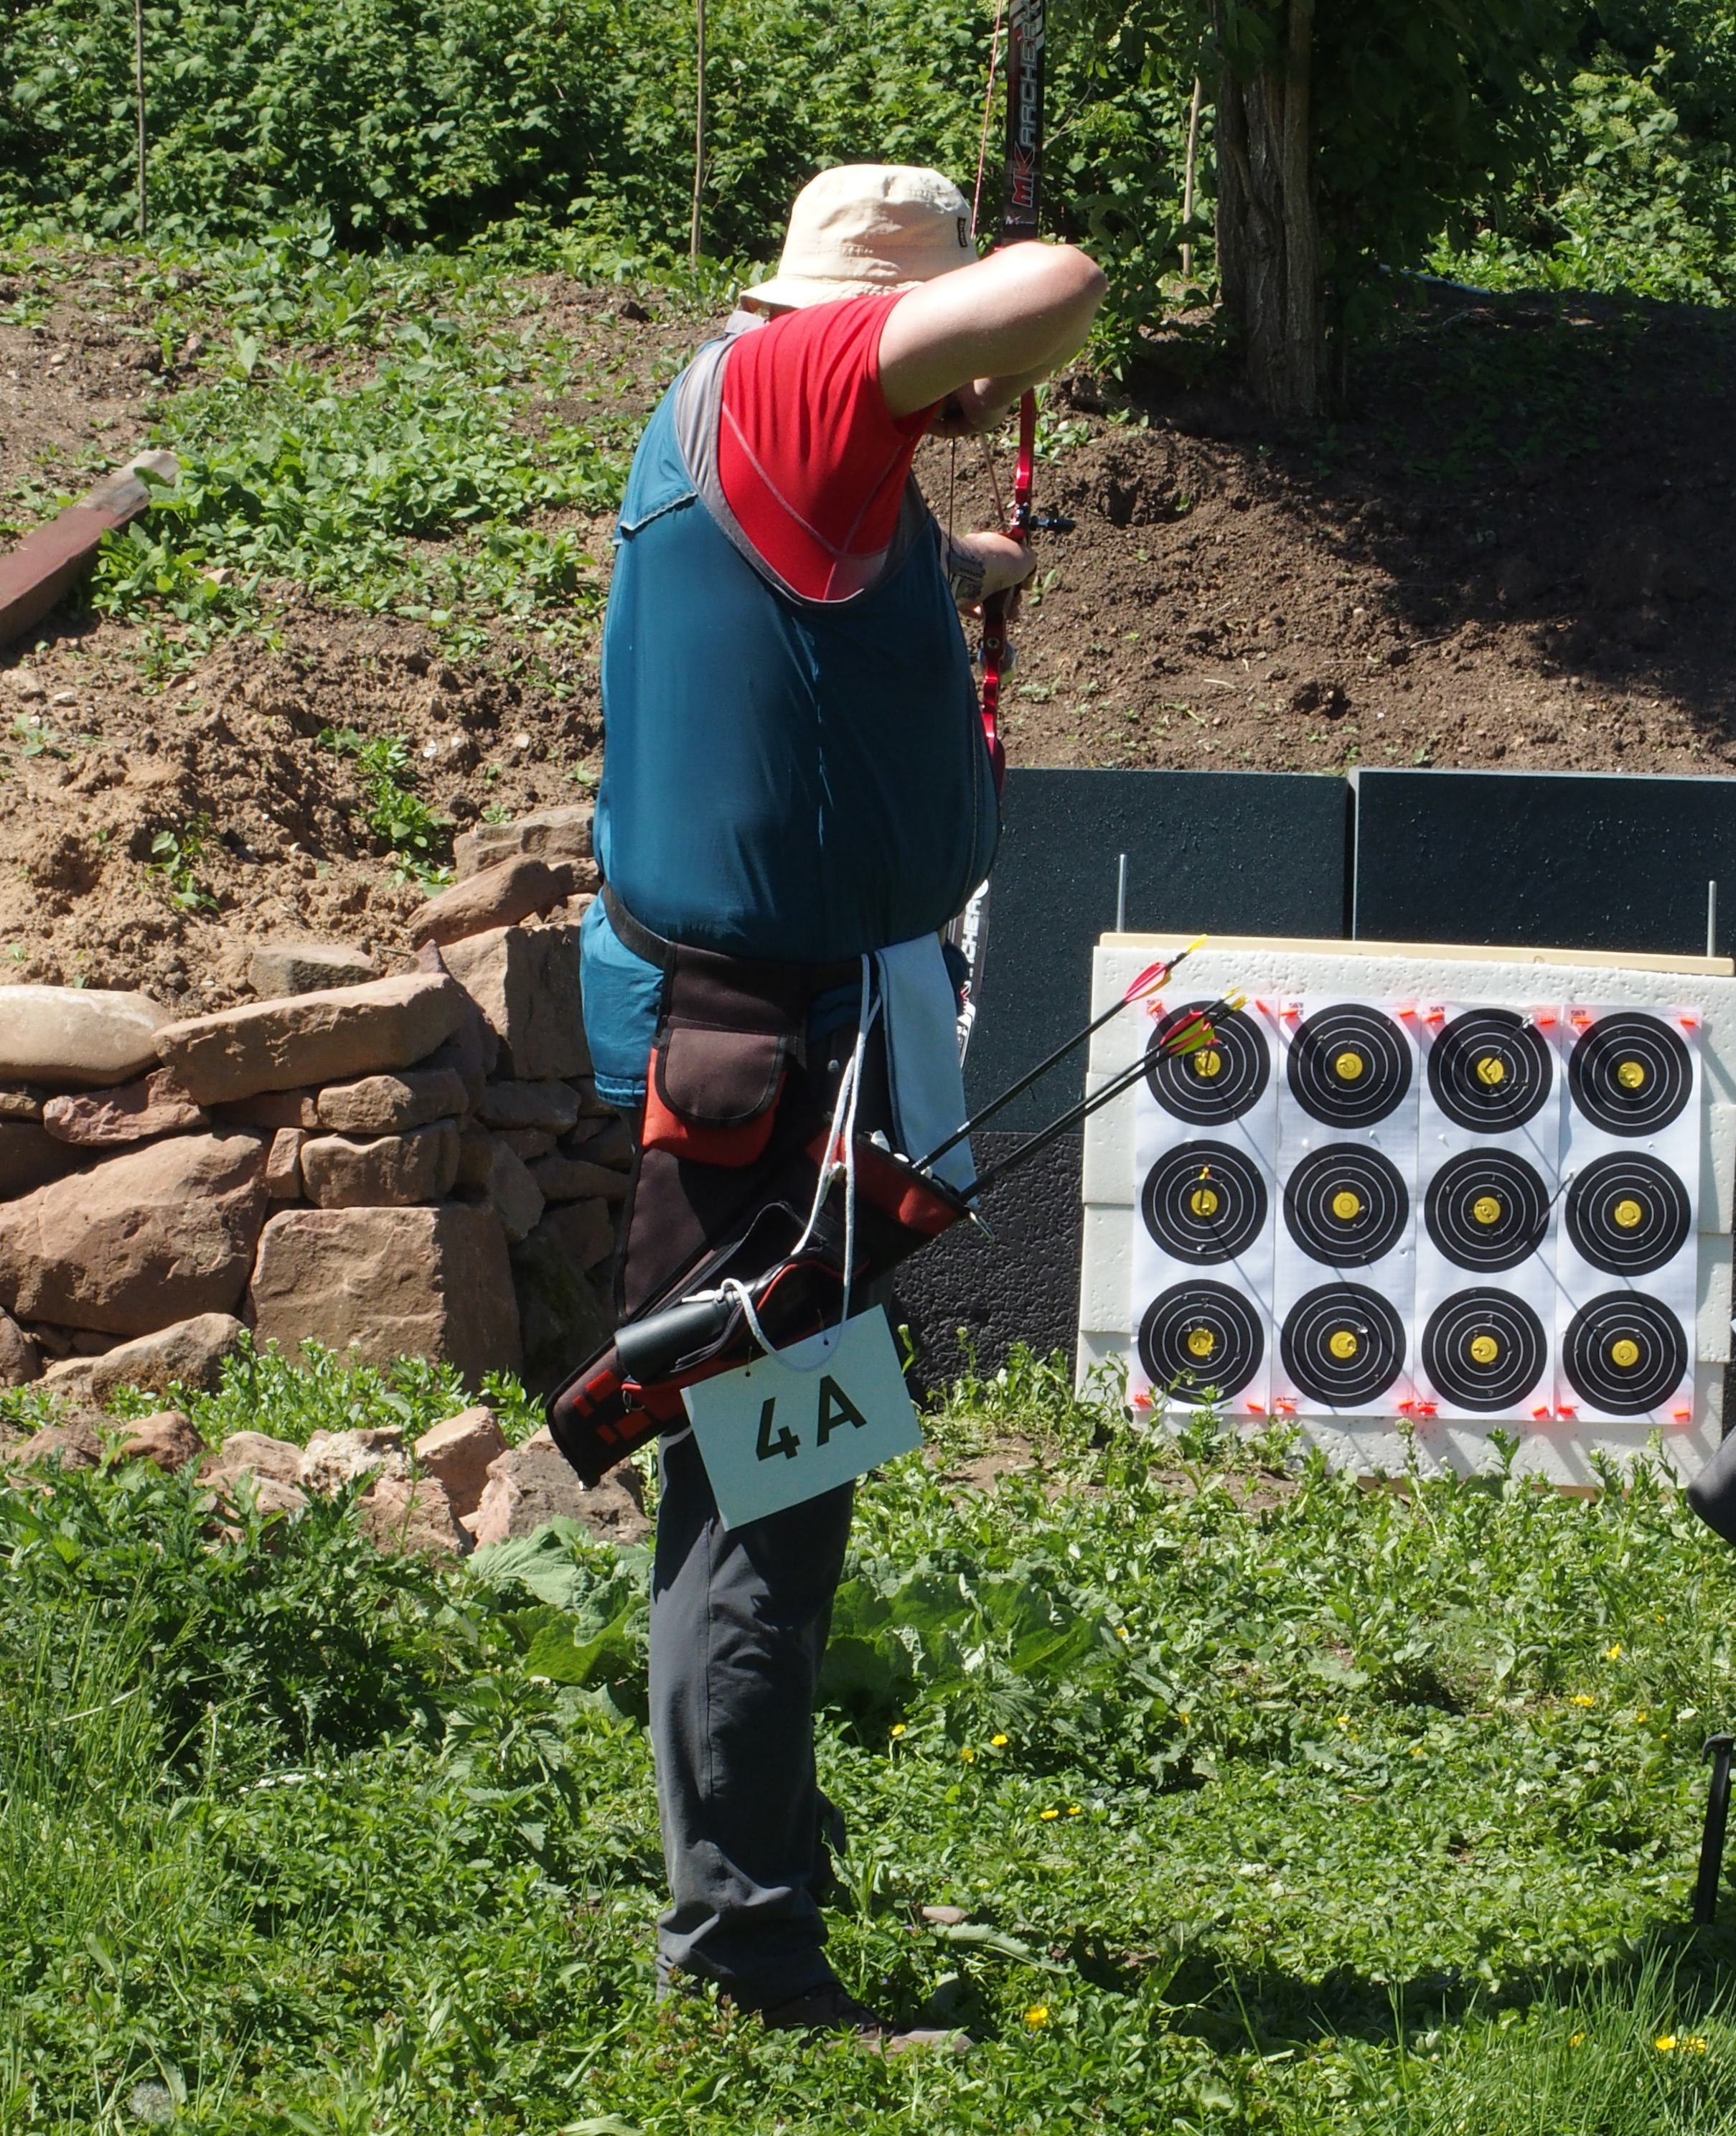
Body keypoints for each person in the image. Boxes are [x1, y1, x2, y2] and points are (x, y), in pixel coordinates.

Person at [581, 164, 1103, 2046]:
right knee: (766, 1494)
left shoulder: (783, 434)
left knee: (786, 1466)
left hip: (799, 1036)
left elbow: (800, 572)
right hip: (770, 1058)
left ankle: (760, 1854)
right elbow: (1060, 285)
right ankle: (745, 1951)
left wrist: (953, 574)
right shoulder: (803, 384)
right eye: (935, 350)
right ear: (877, 324)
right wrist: (1003, 314)